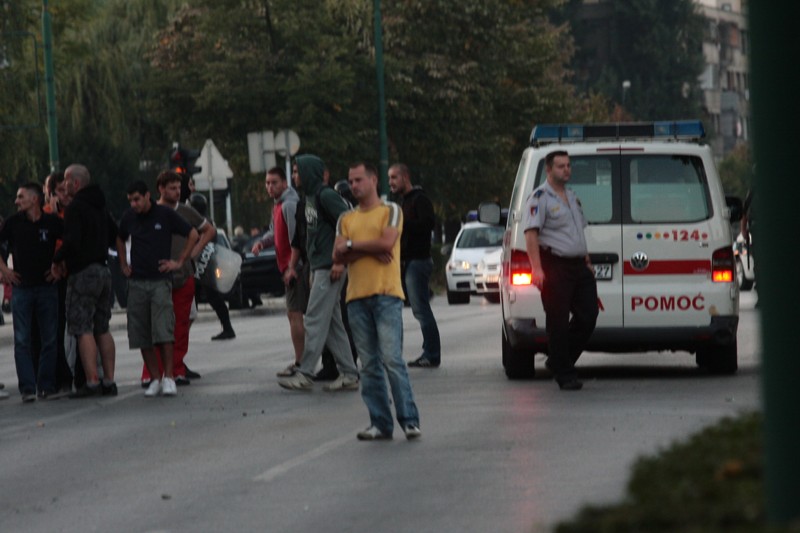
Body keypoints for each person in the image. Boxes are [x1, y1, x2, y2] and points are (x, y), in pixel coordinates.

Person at [333, 162, 421, 440]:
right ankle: (380, 423)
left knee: (392, 359)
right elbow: (337, 256)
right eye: (350, 181)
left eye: (358, 180)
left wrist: (351, 247)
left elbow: (387, 244)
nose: (353, 185)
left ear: (373, 180)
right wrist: (360, 248)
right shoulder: (345, 218)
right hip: (356, 297)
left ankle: (409, 420)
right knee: (369, 365)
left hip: (386, 295)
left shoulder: (390, 211)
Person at [277, 154, 359, 392]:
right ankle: (349, 374)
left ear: (309, 172)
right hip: (319, 267)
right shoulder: (310, 197)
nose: (294, 176)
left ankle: (305, 373)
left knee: (313, 319)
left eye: (297, 171)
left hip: (330, 267)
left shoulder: (326, 195)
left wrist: (340, 261)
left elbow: (348, 223)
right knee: (333, 325)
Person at [523, 150, 598, 391]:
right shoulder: (539, 198)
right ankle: (565, 374)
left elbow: (577, 233)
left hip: (578, 265)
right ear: (548, 170)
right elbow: (531, 234)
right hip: (554, 265)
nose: (566, 170)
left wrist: (586, 259)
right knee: (557, 321)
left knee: (588, 315)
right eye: (560, 166)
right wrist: (536, 268)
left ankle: (558, 360)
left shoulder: (572, 197)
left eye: (568, 166)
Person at [116, 180, 198, 397]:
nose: (134, 204)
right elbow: (119, 237)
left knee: (163, 330)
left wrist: (180, 261)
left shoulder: (164, 214)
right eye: (130, 200)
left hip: (160, 281)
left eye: (137, 199)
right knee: (141, 332)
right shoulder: (129, 217)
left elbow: (193, 234)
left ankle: (169, 377)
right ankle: (154, 378)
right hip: (137, 282)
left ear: (147, 196)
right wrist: (123, 264)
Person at [139, 171, 216, 387]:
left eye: (178, 187)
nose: (177, 191)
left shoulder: (185, 212)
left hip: (183, 276)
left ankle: (177, 369)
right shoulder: (150, 211)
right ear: (161, 189)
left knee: (180, 326)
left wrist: (195, 251)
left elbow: (208, 230)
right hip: (157, 277)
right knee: (157, 327)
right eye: (172, 187)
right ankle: (152, 372)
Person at [51, 164, 119, 397]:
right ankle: (109, 380)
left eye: (67, 181)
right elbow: (115, 233)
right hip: (103, 270)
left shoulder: (76, 207)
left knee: (82, 329)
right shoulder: (101, 205)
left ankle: (91, 381)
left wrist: (57, 258)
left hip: (82, 273)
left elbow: (72, 241)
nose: (64, 184)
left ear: (76, 184)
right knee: (102, 327)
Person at [0, 183, 63, 402]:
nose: (17, 201)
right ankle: (27, 387)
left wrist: (59, 267)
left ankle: (46, 385)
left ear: (35, 199)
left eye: (21, 197)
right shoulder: (13, 223)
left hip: (47, 287)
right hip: (22, 288)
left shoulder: (52, 222)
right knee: (22, 339)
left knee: (49, 338)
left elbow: (71, 242)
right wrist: (4, 269)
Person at [251, 166, 310, 378]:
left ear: (284, 183)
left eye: (274, 182)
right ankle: (305, 361)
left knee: (296, 314)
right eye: (267, 183)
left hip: (296, 268)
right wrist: (262, 243)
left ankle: (302, 362)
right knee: (296, 315)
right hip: (289, 267)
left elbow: (296, 240)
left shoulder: (289, 205)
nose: (269, 187)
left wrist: (293, 267)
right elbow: (274, 232)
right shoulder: (278, 205)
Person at [388, 163, 442, 368]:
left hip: (418, 261)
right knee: (418, 308)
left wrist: (401, 224)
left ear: (405, 177)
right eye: (389, 178)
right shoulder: (404, 202)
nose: (391, 182)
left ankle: (432, 354)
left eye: (394, 178)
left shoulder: (420, 199)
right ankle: (429, 351)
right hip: (408, 262)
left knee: (421, 309)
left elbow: (427, 224)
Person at [188, 192, 236, 340]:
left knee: (202, 298)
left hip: (203, 266)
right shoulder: (207, 221)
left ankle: (227, 328)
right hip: (205, 265)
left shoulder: (201, 223)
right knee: (197, 298)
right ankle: (227, 327)